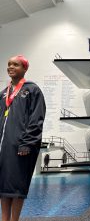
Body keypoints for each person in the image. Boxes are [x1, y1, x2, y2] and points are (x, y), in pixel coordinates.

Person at [0, 55, 46, 221]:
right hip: (3, 148)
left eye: (16, 65)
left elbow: (37, 119)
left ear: (25, 68)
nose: (11, 67)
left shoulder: (32, 90)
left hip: (21, 147)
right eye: (9, 64)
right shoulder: (4, 93)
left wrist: (27, 143)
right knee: (3, 187)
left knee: (17, 187)